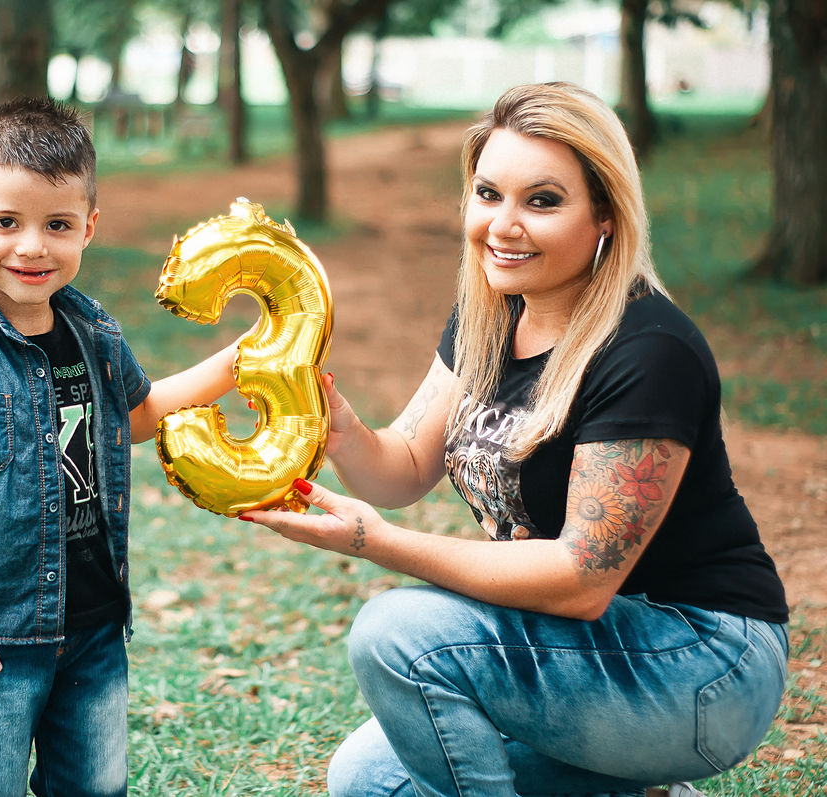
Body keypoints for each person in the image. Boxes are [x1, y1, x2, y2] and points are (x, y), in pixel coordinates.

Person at [242, 82, 789, 797]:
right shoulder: (489, 318)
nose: (503, 224)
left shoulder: (649, 350)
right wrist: (339, 428)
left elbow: (582, 581)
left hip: (702, 665)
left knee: (397, 631)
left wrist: (373, 541)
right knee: (367, 781)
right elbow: (404, 466)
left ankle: (651, 765)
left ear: (605, 218)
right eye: (488, 193)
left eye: (542, 200)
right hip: (584, 653)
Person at [0, 97, 237, 797]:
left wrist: (240, 362)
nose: (32, 246)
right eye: (5, 222)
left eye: (57, 224)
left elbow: (136, 415)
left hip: (96, 625)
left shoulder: (91, 328)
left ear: (88, 228)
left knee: (96, 786)